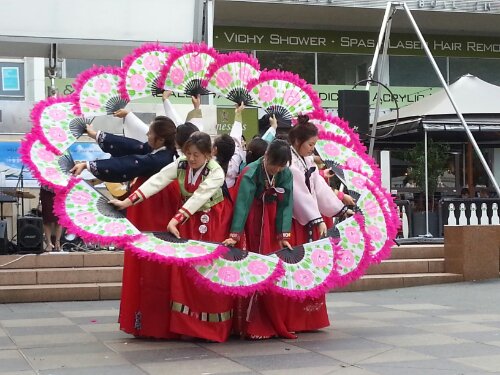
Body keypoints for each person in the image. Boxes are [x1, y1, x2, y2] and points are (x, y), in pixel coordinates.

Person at [110, 132, 234, 342]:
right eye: (188, 153)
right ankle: (185, 325)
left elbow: (200, 196)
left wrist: (176, 219)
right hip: (187, 219)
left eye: (196, 154)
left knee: (207, 271)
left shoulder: (216, 172)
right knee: (183, 273)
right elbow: (157, 181)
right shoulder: (182, 165)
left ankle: (210, 327)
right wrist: (127, 202)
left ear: (208, 154)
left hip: (213, 220)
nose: (192, 158)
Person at [222, 139, 295, 339]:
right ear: (266, 156)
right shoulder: (250, 172)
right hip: (251, 221)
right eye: (275, 164)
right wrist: (235, 235)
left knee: (272, 267)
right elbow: (242, 205)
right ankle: (247, 323)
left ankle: (271, 318)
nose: (277, 169)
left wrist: (283, 235)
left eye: (282, 166)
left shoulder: (285, 173)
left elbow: (286, 204)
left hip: (271, 222)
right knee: (253, 264)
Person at [39, 185, 62, 251]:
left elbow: (74, 174)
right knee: (47, 219)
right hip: (46, 191)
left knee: (58, 219)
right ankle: (49, 243)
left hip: (59, 191)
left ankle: (57, 243)